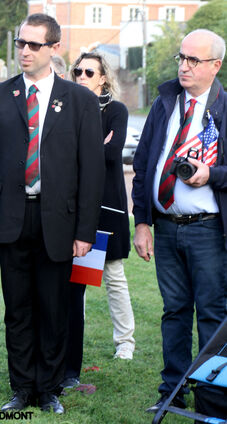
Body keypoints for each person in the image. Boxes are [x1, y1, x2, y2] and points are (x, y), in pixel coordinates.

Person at [0, 13, 105, 415]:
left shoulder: (80, 99)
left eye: (34, 45)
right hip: (12, 219)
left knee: (53, 309)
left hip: (59, 222)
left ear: (54, 48)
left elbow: (91, 170)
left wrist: (85, 229)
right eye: (20, 43)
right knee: (18, 310)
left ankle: (48, 389)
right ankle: (21, 387)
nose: (24, 51)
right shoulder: (0, 94)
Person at [132, 29, 227, 412]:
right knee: (174, 312)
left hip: (208, 230)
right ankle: (172, 390)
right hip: (167, 227)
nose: (184, 66)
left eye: (194, 60)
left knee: (211, 315)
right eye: (181, 58)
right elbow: (142, 165)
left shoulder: (223, 108)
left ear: (215, 66)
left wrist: (212, 175)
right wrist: (142, 222)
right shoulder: (165, 102)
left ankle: (211, 398)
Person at [61, 52, 135, 389]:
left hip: (108, 205)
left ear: (104, 77)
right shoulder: (68, 107)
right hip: (78, 207)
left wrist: (85, 147)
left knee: (113, 274)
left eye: (89, 72)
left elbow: (111, 152)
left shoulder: (115, 110)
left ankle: (126, 344)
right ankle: (75, 345)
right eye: (77, 71)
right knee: (79, 279)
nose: (81, 76)